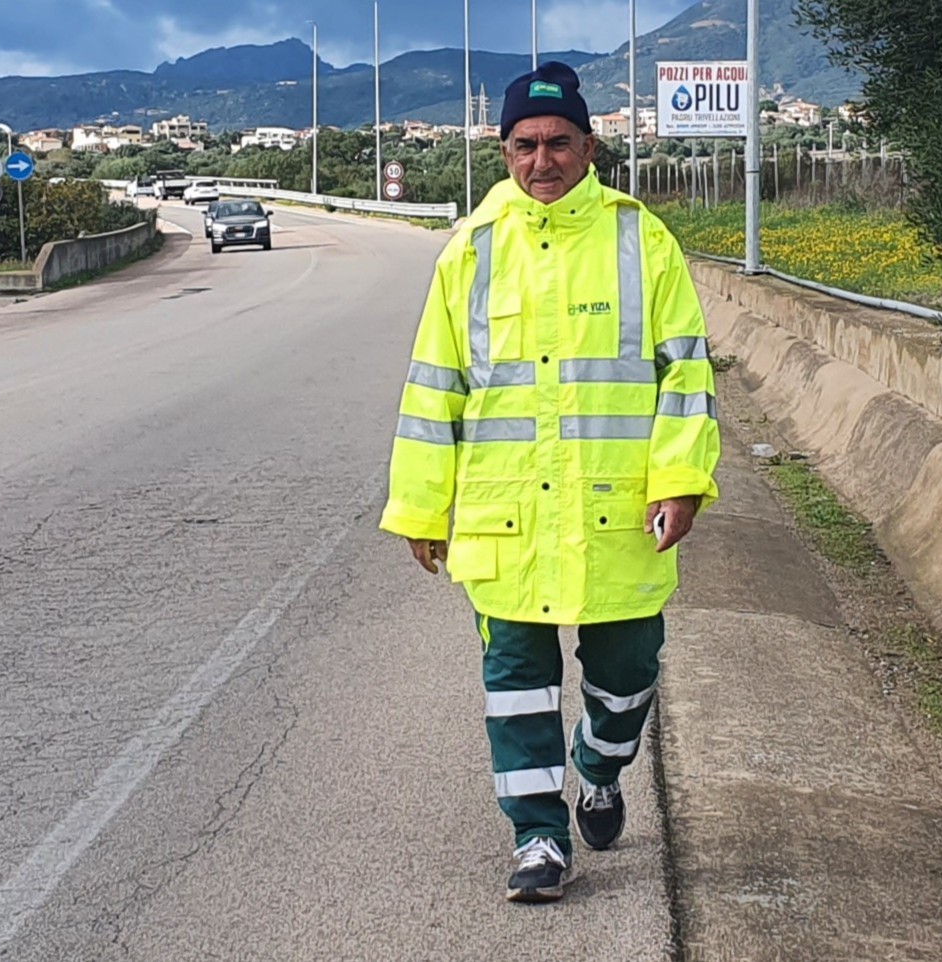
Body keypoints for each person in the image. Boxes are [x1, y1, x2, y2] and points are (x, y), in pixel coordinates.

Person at [379, 60, 721, 903]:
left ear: (589, 145)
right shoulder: (470, 252)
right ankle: (537, 837)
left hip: (618, 515)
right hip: (505, 522)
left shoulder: (643, 241)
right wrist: (424, 508)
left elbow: (686, 373)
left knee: (629, 671)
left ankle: (599, 766)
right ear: (503, 151)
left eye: (559, 142)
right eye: (525, 145)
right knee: (516, 688)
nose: (543, 160)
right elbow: (434, 391)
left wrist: (680, 479)